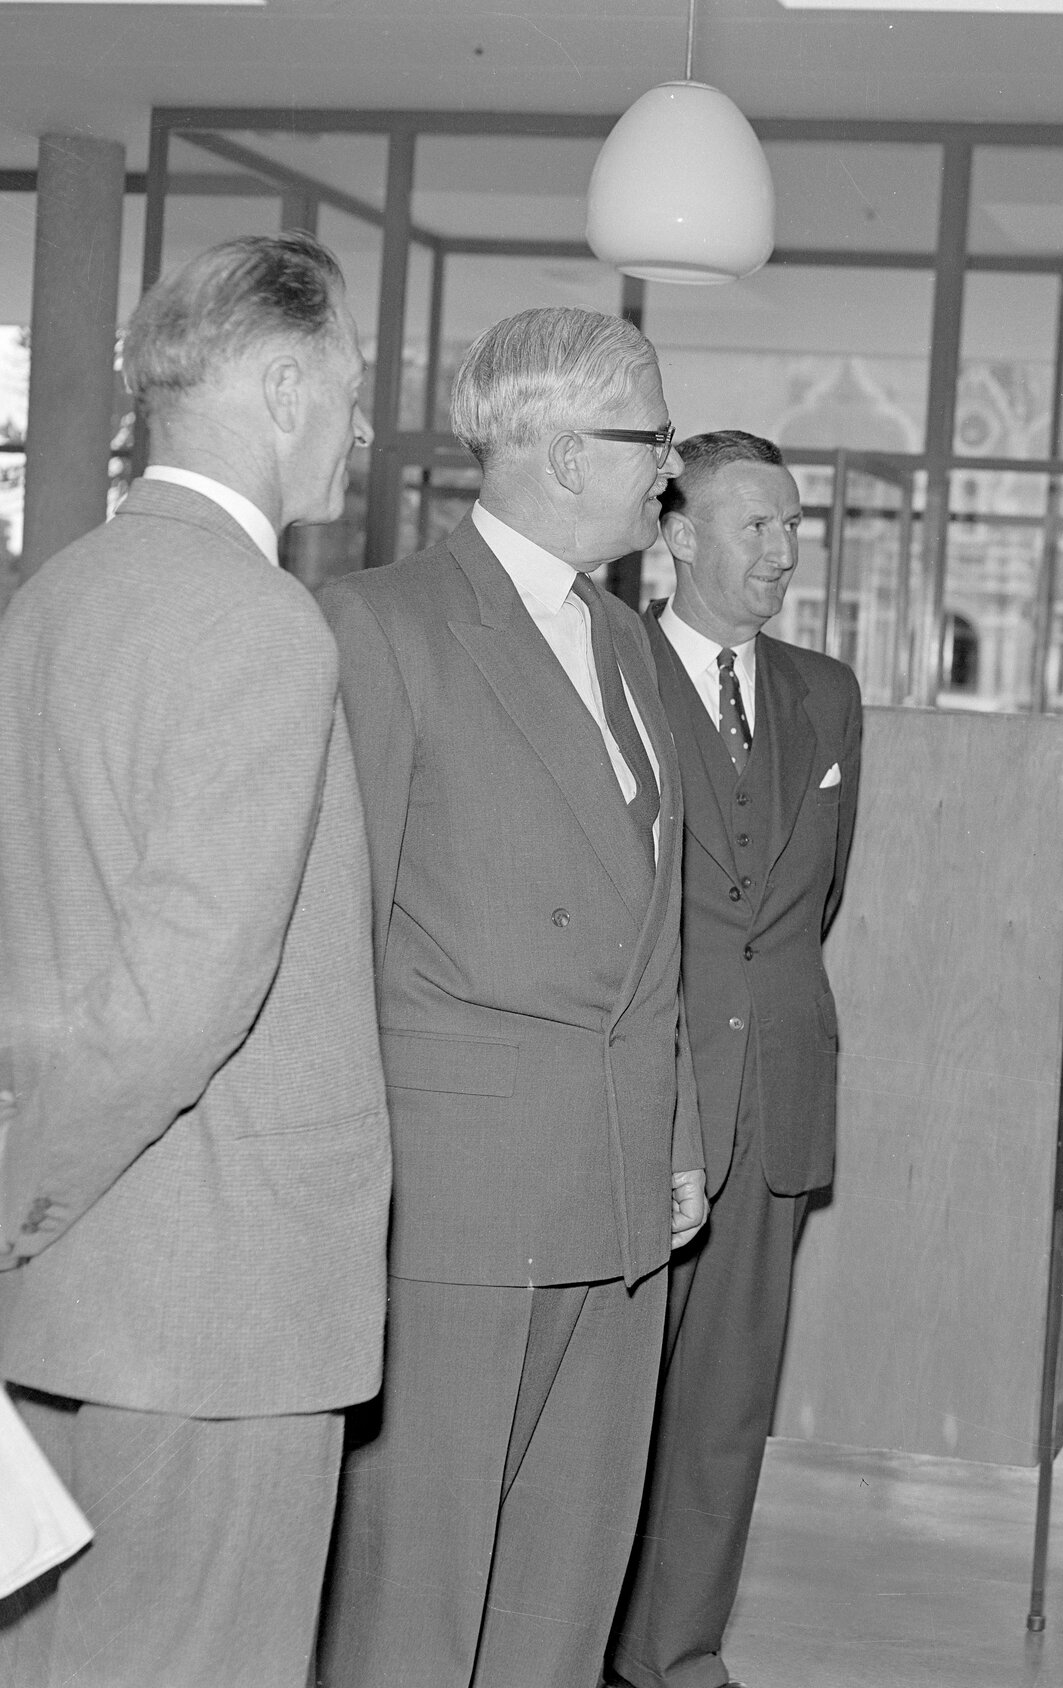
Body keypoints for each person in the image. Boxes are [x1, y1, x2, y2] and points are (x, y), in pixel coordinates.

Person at [0, 232, 388, 1687]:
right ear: (283, 385)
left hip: (60, 1307)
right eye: (349, 388)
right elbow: (186, 990)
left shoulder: (48, 607)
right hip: (221, 1319)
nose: (356, 428)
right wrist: (21, 1197)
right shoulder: (262, 623)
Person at [315, 306, 706, 1688]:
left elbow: (658, 924)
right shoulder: (382, 626)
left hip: (614, 1187)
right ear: (548, 448)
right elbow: (331, 943)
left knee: (565, 1584)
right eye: (649, 437)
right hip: (454, 1196)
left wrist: (672, 1139)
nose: (669, 471)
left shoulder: (627, 644)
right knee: (415, 1605)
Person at [609, 431, 863, 1688]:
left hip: (774, 1101)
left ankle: (678, 1651)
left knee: (721, 1412)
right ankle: (580, 1642)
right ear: (679, 535)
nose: (780, 550)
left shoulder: (828, 694)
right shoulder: (609, 666)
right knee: (610, 1404)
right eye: (752, 525)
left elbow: (804, 905)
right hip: (639, 1098)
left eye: (790, 523)